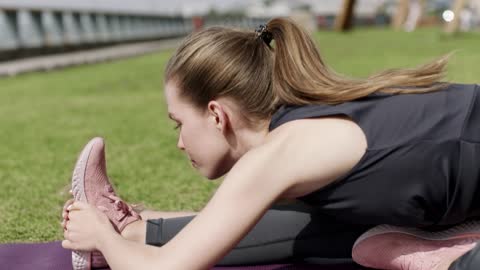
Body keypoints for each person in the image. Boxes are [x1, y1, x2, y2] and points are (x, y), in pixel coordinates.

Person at [60, 17, 480, 270]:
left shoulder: (277, 154)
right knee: (315, 225)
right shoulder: (294, 132)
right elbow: (232, 219)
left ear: (216, 114)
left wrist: (101, 237)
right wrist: (133, 230)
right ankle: (139, 231)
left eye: (178, 125)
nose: (180, 144)